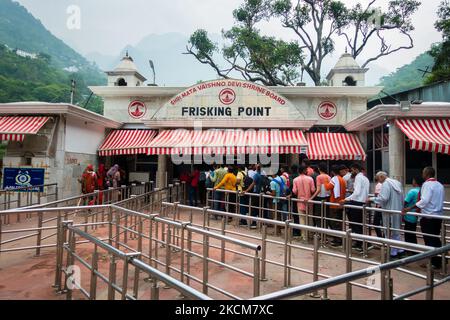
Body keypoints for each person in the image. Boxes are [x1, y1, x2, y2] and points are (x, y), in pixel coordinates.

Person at [403, 167, 445, 269]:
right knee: (435, 238)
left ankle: (434, 263)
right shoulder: (439, 185)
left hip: (428, 217)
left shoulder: (427, 184)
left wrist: (410, 208)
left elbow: (424, 200)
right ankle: (439, 260)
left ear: (426, 174)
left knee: (429, 240)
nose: (422, 174)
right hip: (438, 216)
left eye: (423, 172)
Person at [369, 172, 405, 259]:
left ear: (381, 177)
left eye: (378, 179)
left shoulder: (386, 184)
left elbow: (383, 198)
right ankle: (399, 250)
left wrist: (372, 199)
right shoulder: (397, 183)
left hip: (389, 211)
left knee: (389, 232)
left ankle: (393, 253)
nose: (379, 182)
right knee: (396, 231)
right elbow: (402, 197)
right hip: (397, 210)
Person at [344, 163, 370, 251]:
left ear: (355, 169)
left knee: (355, 224)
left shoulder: (358, 178)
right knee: (360, 224)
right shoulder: (365, 178)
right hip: (362, 203)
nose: (351, 172)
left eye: (352, 170)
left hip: (356, 202)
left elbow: (357, 192)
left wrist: (346, 199)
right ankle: (362, 242)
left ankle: (359, 243)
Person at [292, 165, 316, 241]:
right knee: (309, 218)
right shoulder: (310, 179)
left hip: (300, 201)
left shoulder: (295, 180)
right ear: (305, 171)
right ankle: (310, 234)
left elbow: (294, 191)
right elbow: (313, 190)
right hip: (309, 200)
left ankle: (304, 236)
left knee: (302, 219)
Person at [325, 165, 347, 247]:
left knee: (334, 222)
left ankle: (338, 240)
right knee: (339, 221)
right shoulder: (342, 179)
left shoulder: (334, 179)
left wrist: (325, 181)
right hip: (341, 202)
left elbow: (328, 187)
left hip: (334, 202)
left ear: (333, 172)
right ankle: (339, 238)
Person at [402, 176, 424, 247]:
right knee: (412, 233)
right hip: (415, 216)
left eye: (413, 180)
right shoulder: (421, 190)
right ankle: (414, 249)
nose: (412, 182)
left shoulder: (412, 191)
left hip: (409, 215)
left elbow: (405, 202)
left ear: (415, 182)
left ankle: (410, 250)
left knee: (408, 234)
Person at [311, 162, 331, 229]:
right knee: (326, 215)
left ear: (319, 168)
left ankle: (320, 231)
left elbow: (318, 189)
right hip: (328, 197)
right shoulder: (328, 176)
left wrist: (311, 198)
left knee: (318, 215)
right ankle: (325, 230)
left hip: (320, 198)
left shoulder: (319, 177)